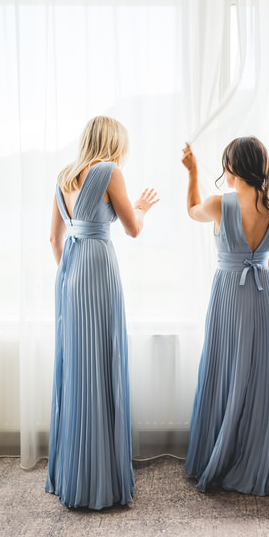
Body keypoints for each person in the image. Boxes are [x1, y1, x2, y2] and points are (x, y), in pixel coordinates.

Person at [46, 116, 158, 509]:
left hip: (71, 275)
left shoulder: (64, 176)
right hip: (98, 271)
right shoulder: (109, 171)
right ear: (114, 144)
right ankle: (100, 478)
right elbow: (133, 229)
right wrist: (142, 208)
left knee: (79, 370)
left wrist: (69, 276)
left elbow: (54, 239)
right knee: (102, 365)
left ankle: (75, 473)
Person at [182, 137, 269, 495]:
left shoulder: (220, 204)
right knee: (258, 375)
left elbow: (192, 208)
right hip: (263, 293)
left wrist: (193, 172)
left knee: (224, 367)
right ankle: (255, 457)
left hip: (230, 292)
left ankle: (219, 454)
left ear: (233, 167)